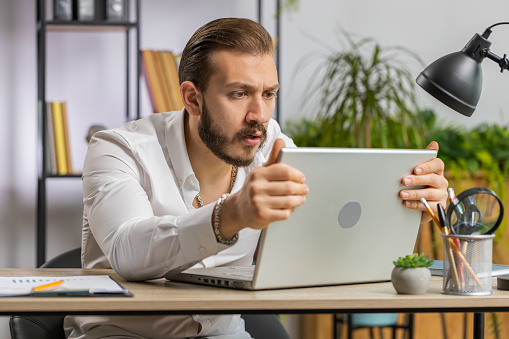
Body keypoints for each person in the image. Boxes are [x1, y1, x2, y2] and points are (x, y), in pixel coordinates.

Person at [64, 18, 448, 339]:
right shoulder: (118, 149)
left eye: (268, 94)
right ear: (192, 98)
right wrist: (232, 214)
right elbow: (129, 252)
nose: (258, 114)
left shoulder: (272, 145)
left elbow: (324, 240)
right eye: (239, 94)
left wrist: (406, 201)